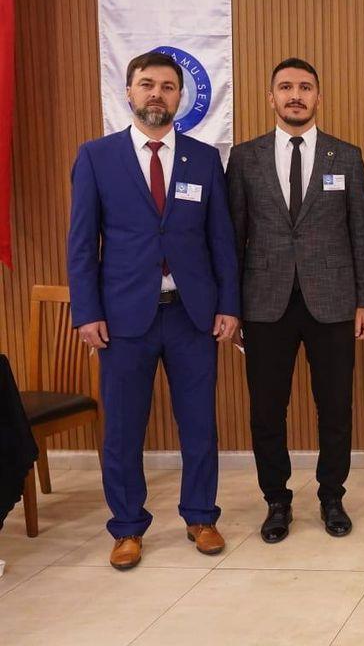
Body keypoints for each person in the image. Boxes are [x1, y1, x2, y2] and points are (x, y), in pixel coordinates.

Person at [67, 51, 239, 569]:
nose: (157, 94)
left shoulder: (203, 159)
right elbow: (82, 243)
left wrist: (228, 305)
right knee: (122, 429)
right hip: (123, 319)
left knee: (199, 424)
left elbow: (221, 240)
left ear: (180, 97)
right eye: (147, 85)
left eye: (167, 86)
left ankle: (201, 516)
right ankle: (126, 527)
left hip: (191, 315)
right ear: (129, 92)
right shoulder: (97, 157)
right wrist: (87, 312)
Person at [226, 57, 364, 543]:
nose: (295, 95)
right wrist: (232, 307)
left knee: (335, 407)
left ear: (318, 97)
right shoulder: (244, 158)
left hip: (332, 301)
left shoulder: (345, 156)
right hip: (264, 303)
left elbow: (360, 234)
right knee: (267, 410)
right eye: (286, 87)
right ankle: (277, 500)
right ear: (271, 97)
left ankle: (332, 496)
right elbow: (233, 238)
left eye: (305, 87)